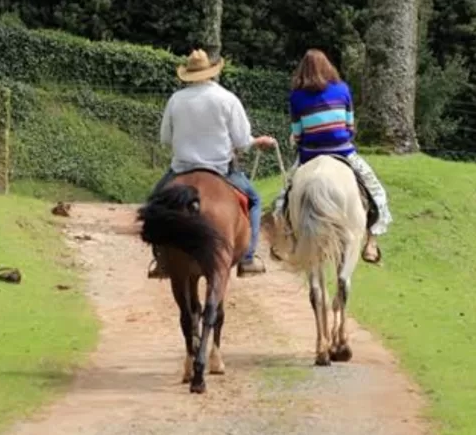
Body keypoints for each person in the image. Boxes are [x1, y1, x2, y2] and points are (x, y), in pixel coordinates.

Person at [150, 48, 277, 278]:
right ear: (211, 71)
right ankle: (248, 258)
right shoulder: (227, 99)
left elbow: (165, 139)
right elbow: (240, 140)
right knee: (254, 200)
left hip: (181, 169)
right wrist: (256, 141)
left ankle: (160, 259)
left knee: (155, 201)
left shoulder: (176, 100)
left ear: (188, 74)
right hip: (220, 171)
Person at [279, 48, 392, 264]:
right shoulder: (342, 89)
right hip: (343, 152)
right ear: (328, 67)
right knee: (377, 192)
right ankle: (371, 243)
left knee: (283, 198)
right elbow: (350, 126)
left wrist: (303, 140)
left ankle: (285, 241)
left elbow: (297, 134)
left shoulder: (296, 97)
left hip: (309, 155)